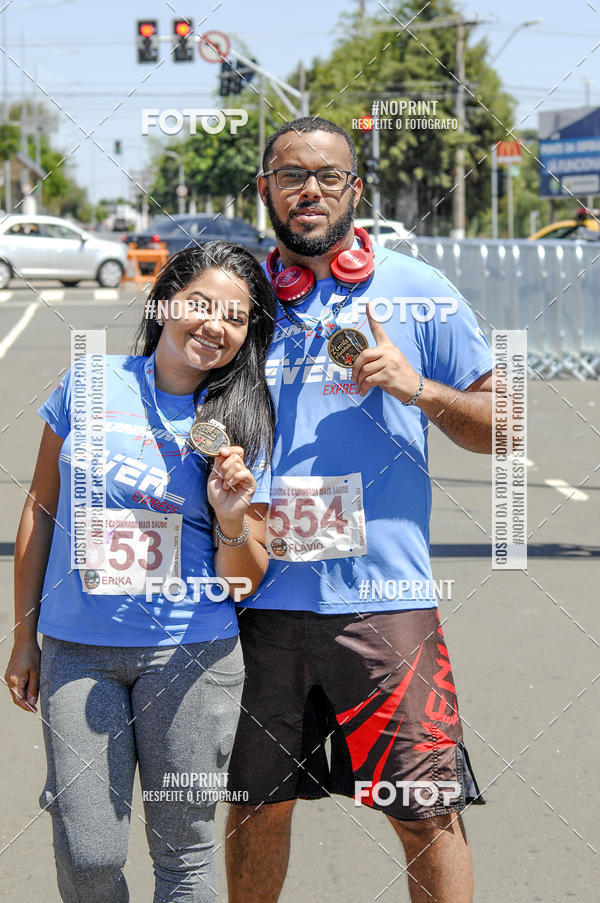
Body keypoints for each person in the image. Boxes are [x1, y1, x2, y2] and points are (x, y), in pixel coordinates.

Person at [225, 117, 494, 903]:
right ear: (265, 188)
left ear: (355, 190)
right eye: (290, 175)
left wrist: (419, 388)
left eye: (328, 176)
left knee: (425, 810)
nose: (309, 190)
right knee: (254, 807)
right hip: (256, 600)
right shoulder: (234, 300)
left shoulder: (418, 289)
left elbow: (506, 424)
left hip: (385, 605)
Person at [4, 242, 276, 903]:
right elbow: (40, 505)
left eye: (236, 317)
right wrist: (23, 634)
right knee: (88, 850)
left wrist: (231, 515)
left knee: (184, 854)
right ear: (163, 305)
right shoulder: (88, 383)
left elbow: (245, 578)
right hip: (78, 650)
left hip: (193, 656)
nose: (216, 325)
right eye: (201, 305)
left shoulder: (240, 424)